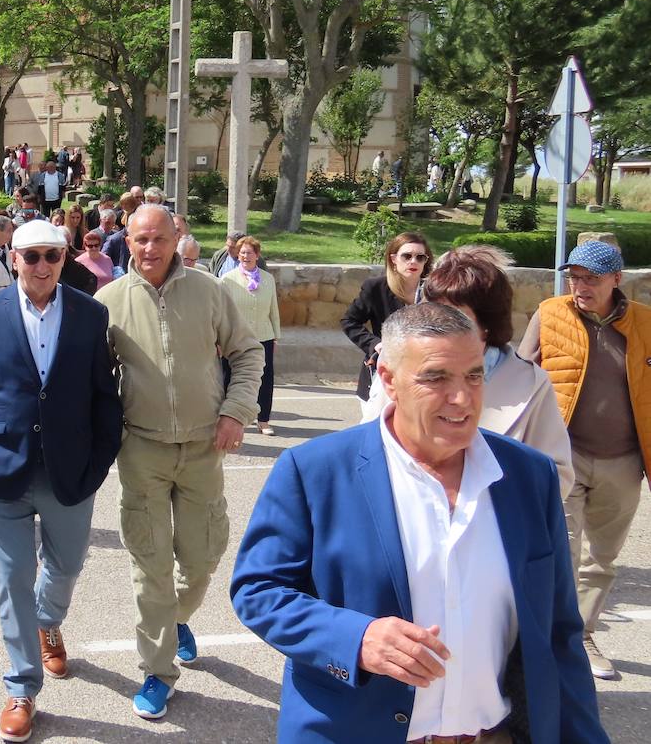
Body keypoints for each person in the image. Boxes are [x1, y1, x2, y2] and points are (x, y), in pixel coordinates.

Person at [231, 303, 607, 744]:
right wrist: (355, 639)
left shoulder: (529, 476)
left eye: (473, 375)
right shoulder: (314, 470)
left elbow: (560, 634)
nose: (463, 399)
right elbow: (259, 591)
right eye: (436, 377)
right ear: (388, 379)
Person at [0, 219, 123, 744]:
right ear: (14, 260)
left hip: (69, 471)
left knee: (67, 565)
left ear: (65, 256)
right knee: (11, 582)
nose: (43, 266)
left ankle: (48, 621)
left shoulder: (91, 313)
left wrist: (98, 462)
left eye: (52, 255)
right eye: (32, 257)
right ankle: (22, 686)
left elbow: (104, 396)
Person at [96, 204, 264, 721]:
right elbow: (93, 380)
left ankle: (180, 619)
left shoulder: (210, 291)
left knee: (202, 556)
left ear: (176, 238)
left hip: (202, 448)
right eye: (140, 239)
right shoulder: (107, 302)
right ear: (127, 240)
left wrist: (236, 412)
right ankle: (157, 669)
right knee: (150, 566)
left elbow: (248, 353)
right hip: (141, 450)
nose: (149, 249)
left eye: (159, 238)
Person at [518, 240, 651, 680]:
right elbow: (519, 377)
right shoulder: (550, 313)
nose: (580, 286)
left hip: (624, 462)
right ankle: (553, 642)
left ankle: (583, 634)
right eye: (574, 277)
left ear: (617, 279)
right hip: (563, 456)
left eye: (591, 278)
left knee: (602, 560)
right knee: (562, 552)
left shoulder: (646, 323)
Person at [361, 245, 573, 494]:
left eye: (457, 318)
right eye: (432, 312)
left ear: (487, 324)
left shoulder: (529, 383)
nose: (440, 327)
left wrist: (477, 492)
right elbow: (367, 448)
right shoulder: (398, 362)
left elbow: (557, 476)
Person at [341, 231, 432, 403]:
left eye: (420, 257)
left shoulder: (434, 291)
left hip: (423, 375)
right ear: (393, 259)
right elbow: (349, 321)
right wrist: (374, 344)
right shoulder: (376, 287)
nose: (413, 261)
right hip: (384, 373)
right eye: (407, 256)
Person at [220, 235, 280, 436]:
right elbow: (222, 311)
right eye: (242, 252)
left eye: (250, 252)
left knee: (265, 379)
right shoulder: (228, 279)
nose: (246, 256)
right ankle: (229, 417)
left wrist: (275, 336)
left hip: (263, 336)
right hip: (236, 337)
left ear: (257, 255)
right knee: (229, 377)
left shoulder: (268, 278)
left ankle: (263, 420)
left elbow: (274, 309)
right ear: (238, 255)